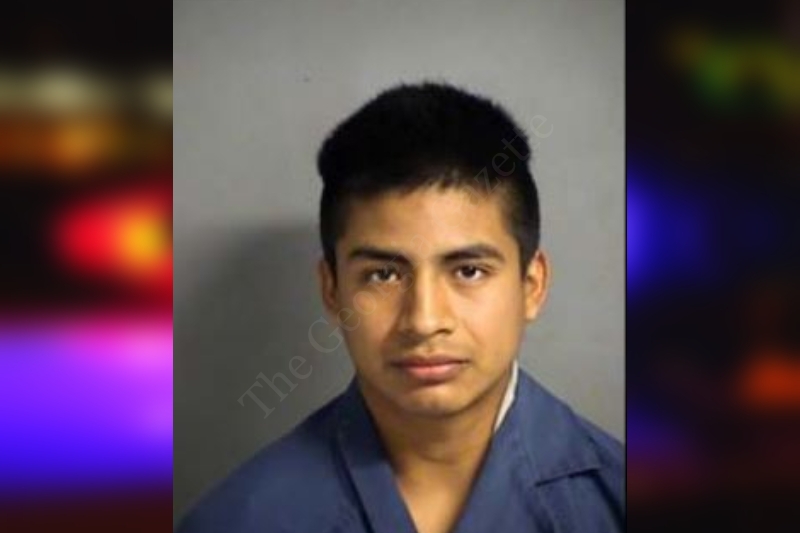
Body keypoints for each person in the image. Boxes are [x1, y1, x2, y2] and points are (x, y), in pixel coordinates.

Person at [177, 82, 624, 533]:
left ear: (531, 286)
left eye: (469, 271)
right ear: (332, 291)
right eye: (383, 275)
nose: (425, 321)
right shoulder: (237, 521)